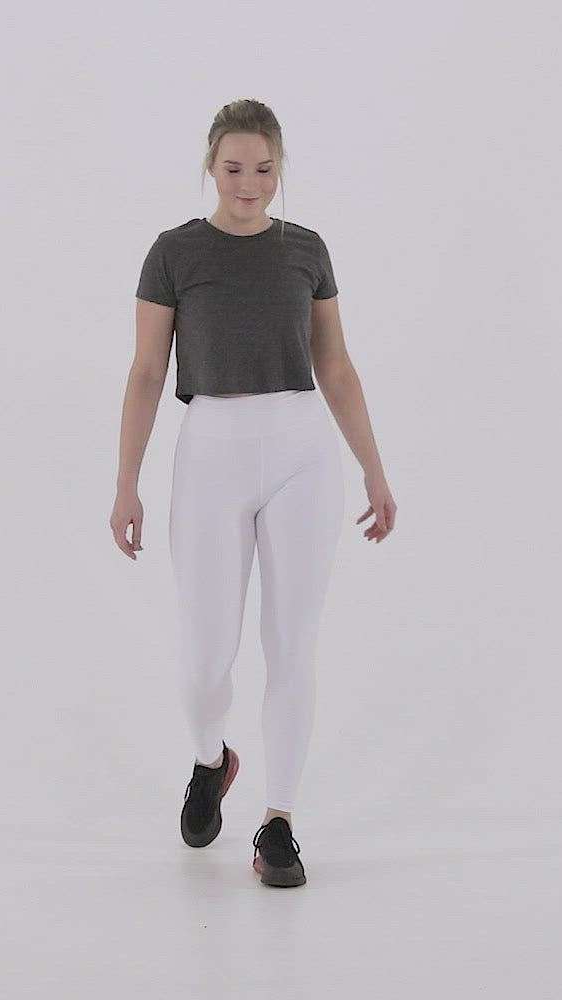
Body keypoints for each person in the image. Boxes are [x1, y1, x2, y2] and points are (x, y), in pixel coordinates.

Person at [110, 99, 397, 888]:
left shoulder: (305, 249)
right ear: (211, 166)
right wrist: (126, 483)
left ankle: (279, 822)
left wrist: (373, 469)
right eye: (234, 168)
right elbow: (146, 370)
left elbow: (335, 365)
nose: (249, 184)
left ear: (280, 169)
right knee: (207, 656)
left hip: (303, 450)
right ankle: (212, 759)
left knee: (292, 644)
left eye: (265, 169)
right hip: (212, 450)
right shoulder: (174, 252)